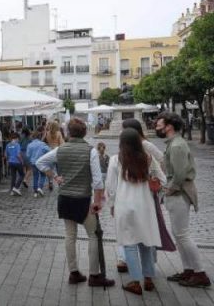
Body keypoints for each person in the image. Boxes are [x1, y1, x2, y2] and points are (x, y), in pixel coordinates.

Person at [36, 118, 115, 288]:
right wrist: (97, 202)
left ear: (68, 132)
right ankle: (94, 275)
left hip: (65, 198)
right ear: (84, 133)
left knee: (70, 235)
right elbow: (97, 181)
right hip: (82, 199)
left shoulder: (60, 149)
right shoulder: (90, 151)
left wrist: (54, 177)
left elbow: (39, 162)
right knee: (93, 235)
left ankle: (74, 273)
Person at [105, 128, 167, 295]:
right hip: (145, 205)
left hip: (124, 205)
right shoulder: (148, 158)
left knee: (129, 243)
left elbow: (110, 187)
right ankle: (148, 278)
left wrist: (111, 205)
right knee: (146, 241)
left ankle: (135, 282)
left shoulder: (116, 159)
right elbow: (163, 179)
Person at [156, 112, 211, 287]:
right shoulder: (174, 143)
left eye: (159, 125)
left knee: (183, 234)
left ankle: (200, 273)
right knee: (179, 234)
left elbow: (179, 174)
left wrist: (169, 189)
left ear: (169, 126)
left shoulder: (177, 145)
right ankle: (189, 270)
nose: (157, 127)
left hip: (179, 193)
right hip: (177, 192)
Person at [25, 131, 50, 197]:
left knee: (35, 177)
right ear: (39, 137)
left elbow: (27, 155)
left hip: (33, 163)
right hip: (41, 162)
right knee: (43, 175)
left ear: (33, 137)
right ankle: (40, 188)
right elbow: (49, 151)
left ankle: (35, 192)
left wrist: (31, 159)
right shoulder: (42, 144)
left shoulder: (29, 145)